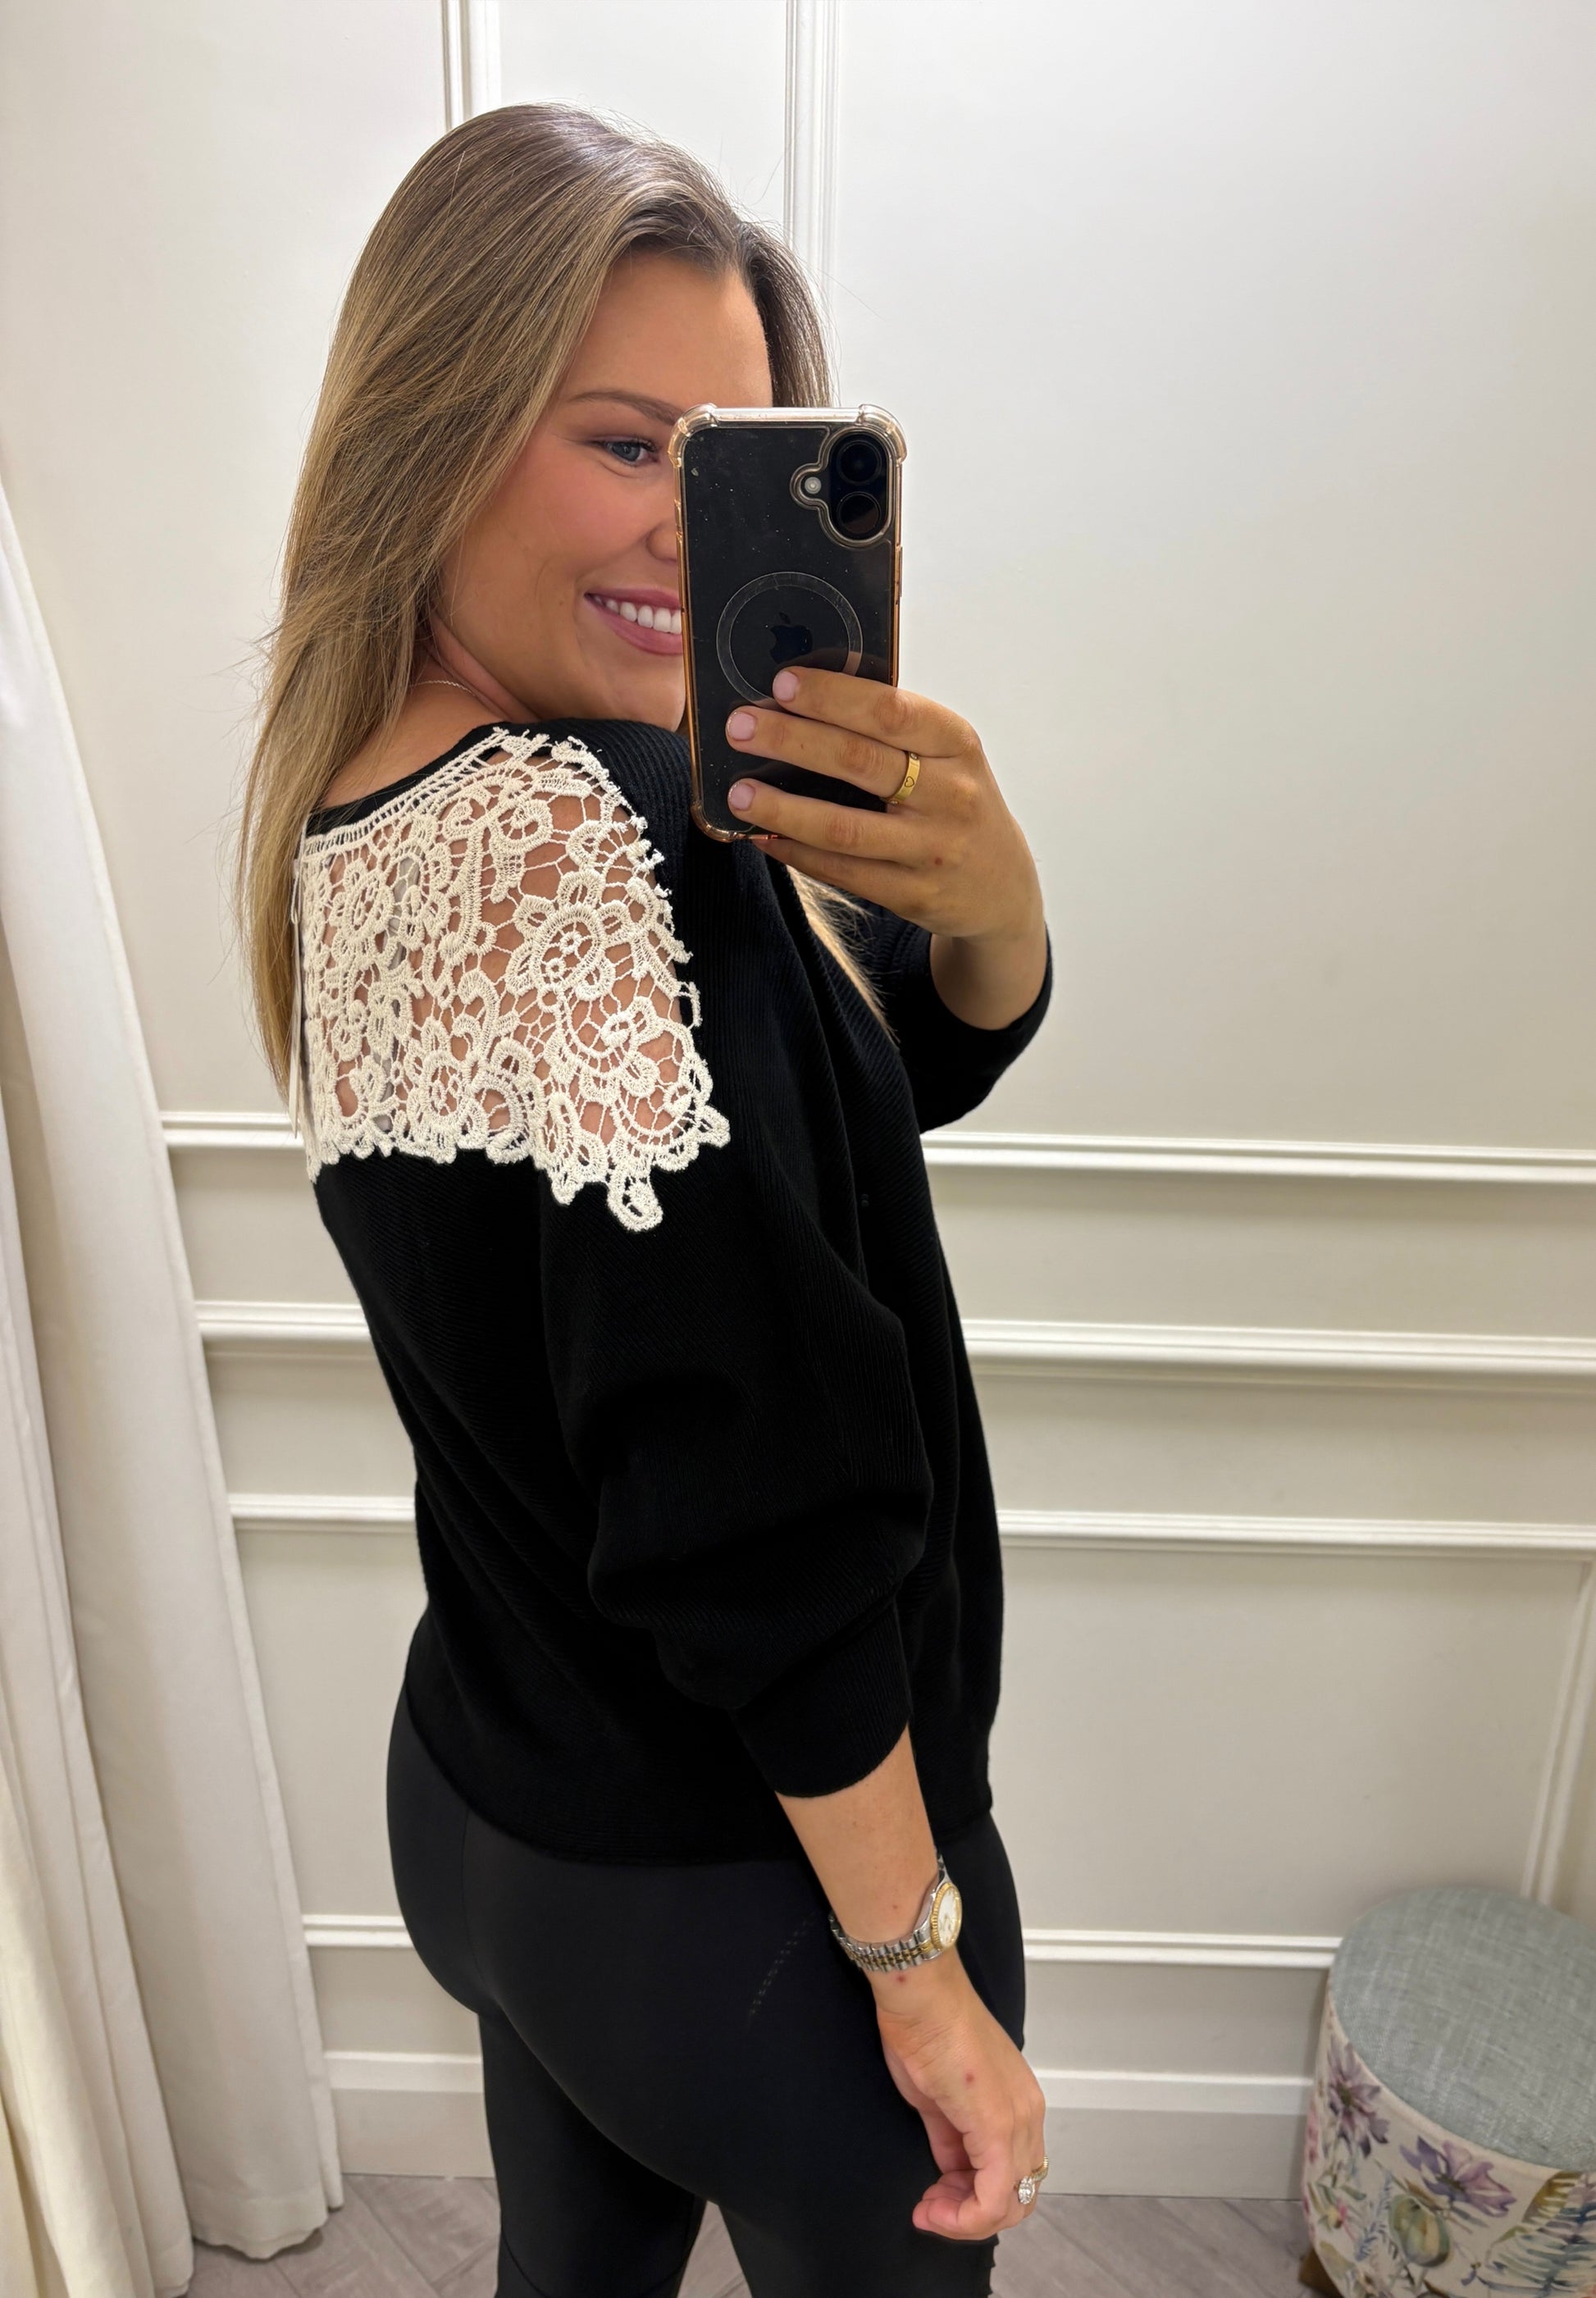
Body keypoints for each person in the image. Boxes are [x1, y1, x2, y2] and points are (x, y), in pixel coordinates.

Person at [235, 102, 1054, 2298]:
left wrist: (987, 914)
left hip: (494, 1807)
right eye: (619, 444)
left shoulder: (360, 800)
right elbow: (750, 1503)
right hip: (747, 1904)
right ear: (436, 422)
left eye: (723, 463)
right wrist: (916, 1965)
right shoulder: (617, 842)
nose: (683, 533)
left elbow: (823, 1123)